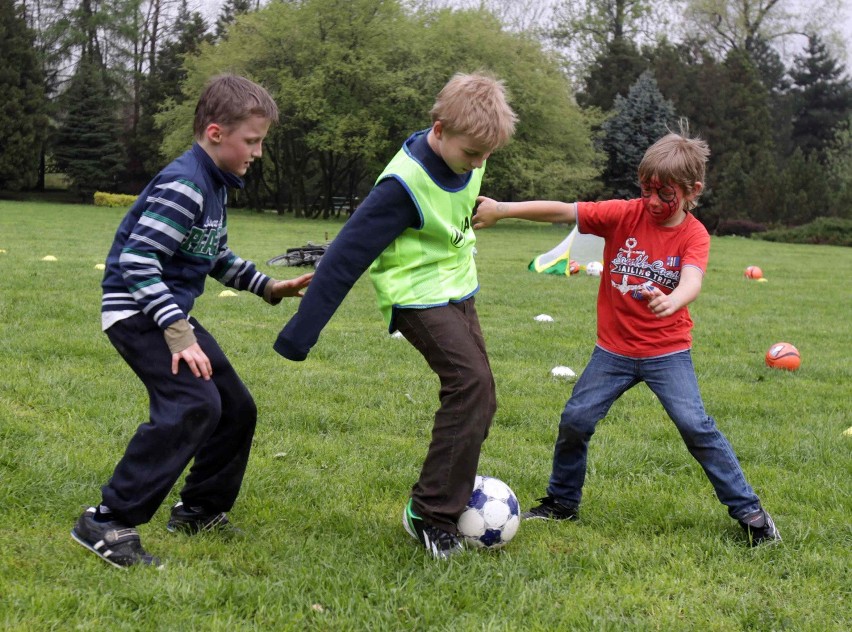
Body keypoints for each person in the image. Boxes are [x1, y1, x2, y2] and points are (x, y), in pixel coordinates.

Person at [472, 123, 781, 547]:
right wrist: (503, 209)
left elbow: (692, 278)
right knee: (576, 420)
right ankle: (562, 502)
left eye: (665, 193)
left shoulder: (694, 234)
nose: (653, 201)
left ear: (692, 190)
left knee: (696, 427)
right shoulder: (624, 213)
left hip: (667, 352)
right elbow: (565, 211)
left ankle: (751, 513)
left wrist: (674, 300)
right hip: (612, 352)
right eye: (646, 189)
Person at [71, 74, 313, 568]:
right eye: (253, 141)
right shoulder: (185, 183)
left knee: (234, 407)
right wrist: (179, 335)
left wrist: (269, 286)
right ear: (216, 132)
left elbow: (211, 253)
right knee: (192, 404)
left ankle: (200, 510)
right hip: (138, 312)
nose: (258, 152)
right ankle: (106, 520)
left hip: (166, 314)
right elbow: (138, 262)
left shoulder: (214, 185)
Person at [273, 72, 518, 559]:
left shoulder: (470, 152)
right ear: (440, 128)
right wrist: (299, 335)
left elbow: (456, 205)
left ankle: (441, 495)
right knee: (470, 385)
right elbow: (345, 257)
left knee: (481, 395)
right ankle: (431, 515)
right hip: (416, 295)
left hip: (459, 284)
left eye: (487, 155)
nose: (480, 163)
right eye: (473, 154)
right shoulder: (401, 186)